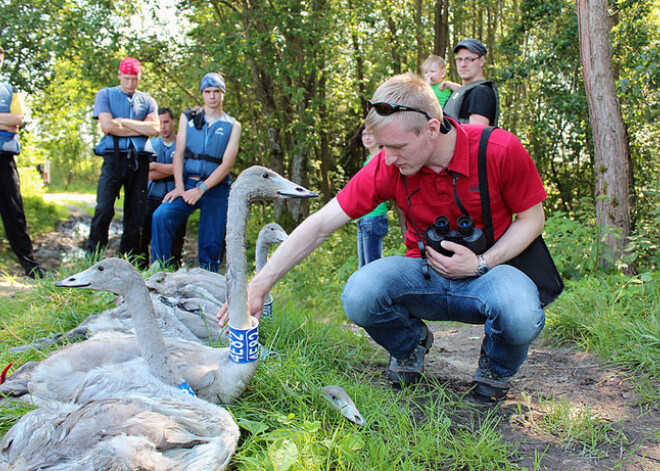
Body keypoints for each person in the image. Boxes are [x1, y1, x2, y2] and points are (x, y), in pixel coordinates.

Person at [219, 73, 546, 402]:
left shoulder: (498, 149)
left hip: (488, 273)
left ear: (432, 129)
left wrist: (480, 262)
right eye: (384, 147)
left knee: (519, 311)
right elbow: (321, 224)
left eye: (397, 146)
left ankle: (496, 367)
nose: (388, 158)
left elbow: (532, 219)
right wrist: (259, 284)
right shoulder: (388, 166)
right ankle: (410, 343)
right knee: (360, 293)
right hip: (424, 275)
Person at [152, 73, 241, 272]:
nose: (212, 97)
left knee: (211, 241)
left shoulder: (233, 125)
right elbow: (179, 153)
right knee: (161, 216)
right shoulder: (188, 118)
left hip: (216, 189)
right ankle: (159, 272)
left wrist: (201, 189)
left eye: (216, 92)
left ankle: (208, 278)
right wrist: (179, 187)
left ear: (222, 94)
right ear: (202, 94)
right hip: (188, 184)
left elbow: (227, 165)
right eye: (208, 92)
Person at [86, 57, 159, 259]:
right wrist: (139, 128)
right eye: (126, 79)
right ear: (119, 75)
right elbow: (107, 126)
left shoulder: (148, 101)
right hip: (114, 159)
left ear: (139, 78)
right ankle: (93, 258)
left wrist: (124, 123)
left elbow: (155, 129)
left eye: (134, 79)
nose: (129, 83)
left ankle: (129, 261)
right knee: (103, 209)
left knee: (135, 216)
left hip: (140, 161)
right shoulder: (106, 95)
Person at [0, 46, 43, 278]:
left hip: (4, 160)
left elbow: (17, 120)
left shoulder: (9, 91)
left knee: (15, 213)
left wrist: (9, 122)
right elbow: (8, 122)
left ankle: (31, 267)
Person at [137, 107, 187, 269]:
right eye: (159, 123)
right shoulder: (151, 144)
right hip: (152, 196)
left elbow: (185, 170)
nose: (163, 127)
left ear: (173, 121)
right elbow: (147, 174)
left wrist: (156, 165)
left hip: (176, 197)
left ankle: (173, 272)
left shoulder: (184, 143)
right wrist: (174, 169)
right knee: (143, 237)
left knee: (175, 240)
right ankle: (145, 273)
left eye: (166, 122)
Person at [349, 124, 389, 267]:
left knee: (371, 267)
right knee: (363, 267)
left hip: (375, 217)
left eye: (370, 134)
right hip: (364, 217)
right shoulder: (369, 157)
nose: (366, 137)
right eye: (364, 134)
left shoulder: (383, 156)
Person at [442, 39, 499, 126]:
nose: (463, 64)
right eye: (459, 59)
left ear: (482, 61)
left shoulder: (481, 93)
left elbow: (477, 135)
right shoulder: (463, 92)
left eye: (469, 59)